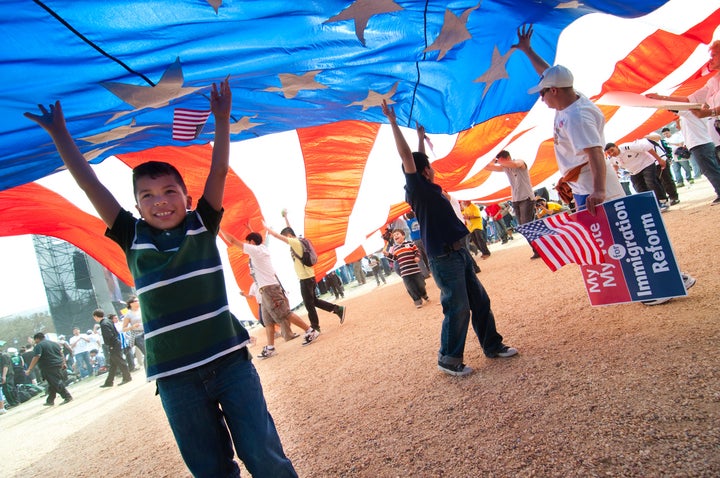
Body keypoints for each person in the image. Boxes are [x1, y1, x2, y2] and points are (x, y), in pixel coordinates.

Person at [25, 78, 297, 477]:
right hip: (175, 379)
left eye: (169, 191)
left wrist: (221, 120)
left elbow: (218, 169)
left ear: (187, 198)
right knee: (210, 469)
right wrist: (61, 135)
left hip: (230, 364)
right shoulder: (131, 235)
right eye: (147, 195)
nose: (160, 201)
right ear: (136, 205)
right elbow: (90, 182)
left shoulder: (202, 224)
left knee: (265, 456)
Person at [515, 24, 696, 305]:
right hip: (584, 182)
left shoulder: (577, 116)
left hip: (593, 183)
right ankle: (666, 278)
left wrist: (597, 191)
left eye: (543, 92)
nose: (541, 97)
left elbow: (596, 154)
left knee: (623, 232)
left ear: (554, 91)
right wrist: (529, 51)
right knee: (617, 233)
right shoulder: (571, 100)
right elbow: (550, 73)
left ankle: (670, 280)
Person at [382, 99, 518, 377]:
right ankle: (448, 358)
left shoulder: (427, 187)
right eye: (428, 166)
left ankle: (492, 345)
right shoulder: (417, 189)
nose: (431, 168)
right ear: (423, 172)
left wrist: (420, 139)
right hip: (444, 256)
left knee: (479, 301)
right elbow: (409, 159)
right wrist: (394, 123)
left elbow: (416, 160)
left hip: (458, 252)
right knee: (458, 308)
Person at [221, 230, 320, 359]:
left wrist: (220, 228)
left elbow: (233, 241)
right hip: (264, 291)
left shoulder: (257, 251)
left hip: (269, 289)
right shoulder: (261, 249)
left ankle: (310, 331)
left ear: (252, 242)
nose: (246, 244)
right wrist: (250, 228)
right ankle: (270, 348)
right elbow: (257, 239)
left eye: (248, 242)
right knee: (268, 322)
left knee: (285, 313)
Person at [647, 40, 720, 178]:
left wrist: (711, 112)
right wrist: (661, 98)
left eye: (714, 55)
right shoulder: (712, 82)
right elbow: (689, 99)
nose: (710, 59)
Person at [265, 212, 346, 333]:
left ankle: (315, 327)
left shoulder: (295, 242)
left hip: (306, 279)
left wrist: (266, 228)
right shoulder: (298, 241)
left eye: (286, 237)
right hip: (309, 277)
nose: (286, 239)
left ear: (288, 236)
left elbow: (277, 236)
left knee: (309, 304)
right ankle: (337, 309)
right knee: (314, 301)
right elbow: (290, 230)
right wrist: (286, 217)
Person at [484, 150, 539, 258]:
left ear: (506, 158)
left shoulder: (519, 162)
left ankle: (540, 248)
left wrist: (497, 161)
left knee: (527, 225)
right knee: (524, 226)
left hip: (526, 198)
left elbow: (514, 164)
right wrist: (492, 159)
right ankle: (537, 249)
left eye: (500, 160)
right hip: (516, 200)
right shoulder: (505, 167)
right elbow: (487, 167)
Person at [604, 139, 670, 211]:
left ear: (616, 147)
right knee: (639, 188)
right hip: (633, 171)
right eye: (608, 152)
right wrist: (616, 172)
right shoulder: (611, 158)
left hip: (646, 164)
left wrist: (659, 160)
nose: (611, 153)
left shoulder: (627, 147)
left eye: (612, 150)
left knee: (650, 182)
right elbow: (614, 165)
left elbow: (647, 148)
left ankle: (663, 201)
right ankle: (652, 204)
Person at [385, 229, 430, 308]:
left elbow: (417, 252)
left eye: (397, 234)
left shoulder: (410, 244)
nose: (395, 236)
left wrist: (417, 257)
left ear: (403, 236)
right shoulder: (395, 248)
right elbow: (395, 258)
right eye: (394, 235)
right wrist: (388, 255)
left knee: (421, 284)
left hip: (415, 270)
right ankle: (417, 301)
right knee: (410, 287)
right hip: (405, 272)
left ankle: (424, 294)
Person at [25, 333, 73, 406]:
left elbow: (36, 357)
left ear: (37, 339)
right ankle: (50, 400)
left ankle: (67, 396)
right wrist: (64, 363)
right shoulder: (54, 343)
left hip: (48, 366)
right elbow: (61, 353)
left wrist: (29, 369)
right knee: (52, 383)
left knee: (56, 382)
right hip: (58, 364)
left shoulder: (39, 346)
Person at [93, 309, 132, 387]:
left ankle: (127, 377)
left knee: (120, 361)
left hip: (113, 344)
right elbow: (115, 332)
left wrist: (109, 345)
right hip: (116, 342)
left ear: (96, 317)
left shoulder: (103, 324)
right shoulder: (108, 320)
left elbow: (108, 335)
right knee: (113, 364)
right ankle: (109, 382)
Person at [122, 296, 145, 369]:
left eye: (138, 300)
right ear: (131, 304)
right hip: (137, 335)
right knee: (146, 353)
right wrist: (132, 327)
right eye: (135, 301)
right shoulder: (128, 314)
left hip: (146, 332)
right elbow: (124, 329)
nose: (138, 302)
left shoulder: (142, 310)